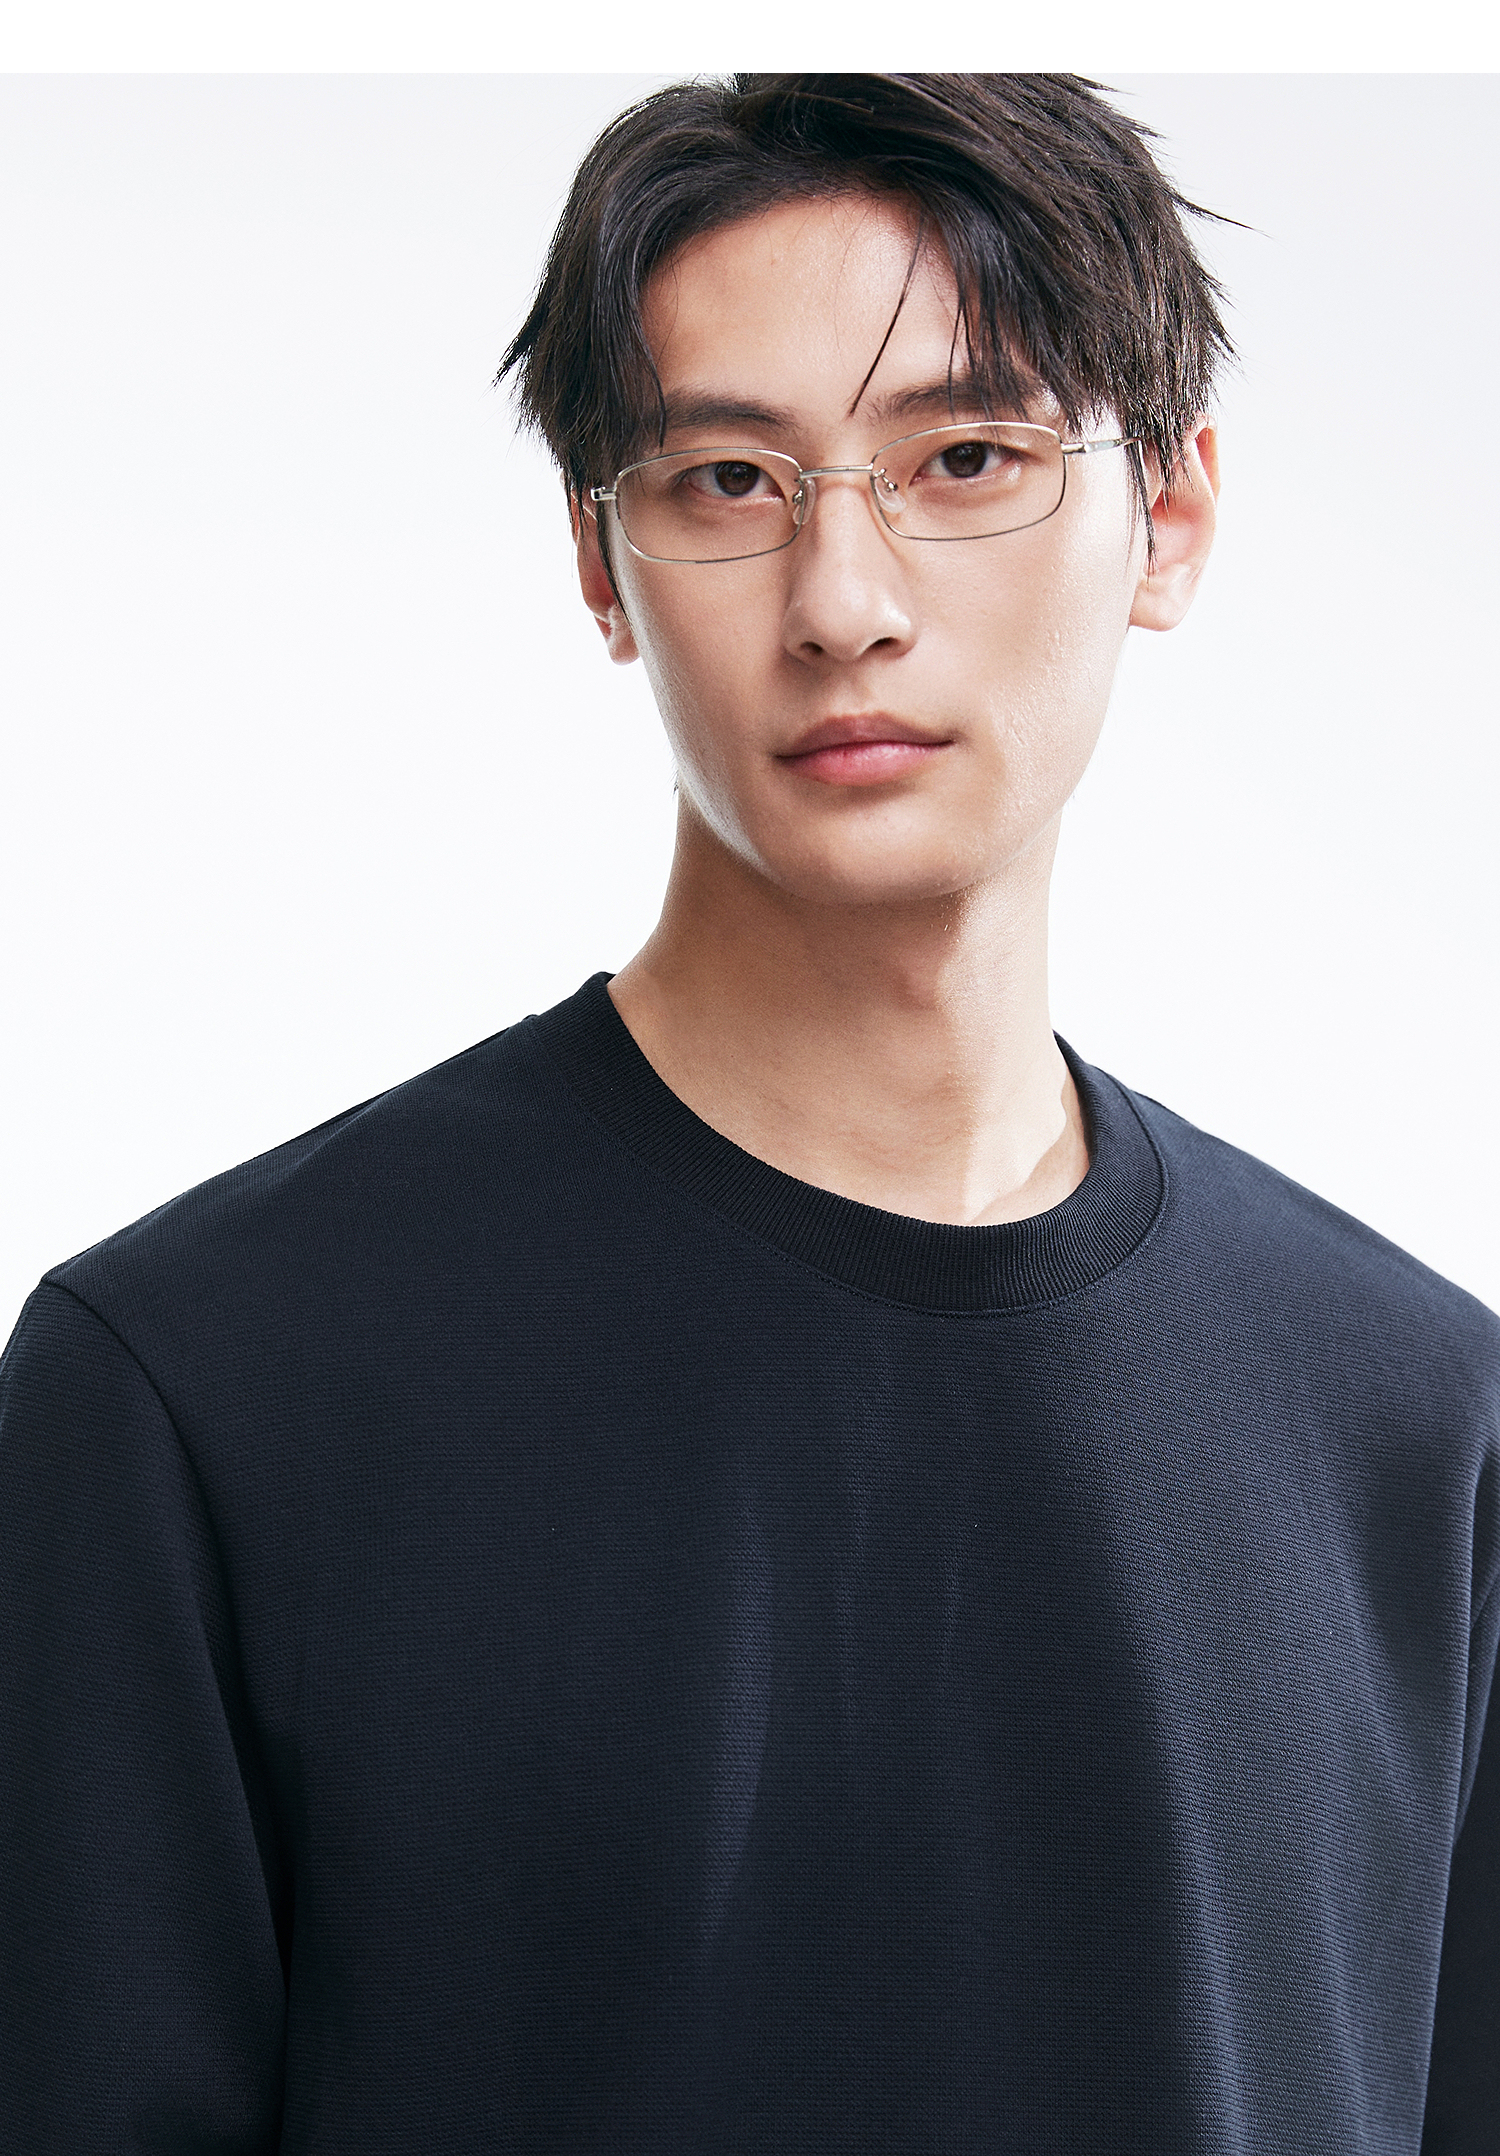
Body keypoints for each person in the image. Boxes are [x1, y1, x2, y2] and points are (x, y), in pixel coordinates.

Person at [0, 70, 1494, 2156]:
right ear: (601, 564)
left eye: (967, 458)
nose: (842, 599)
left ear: (1169, 516)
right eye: (726, 480)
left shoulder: (1423, 1424)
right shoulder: (199, 1390)